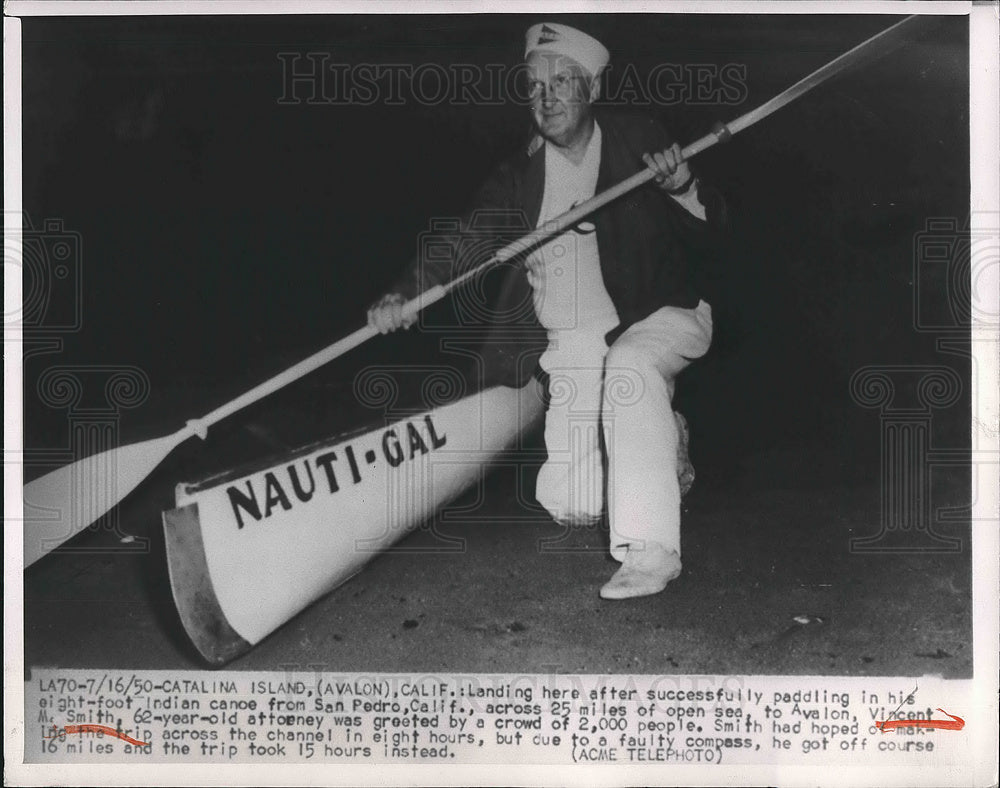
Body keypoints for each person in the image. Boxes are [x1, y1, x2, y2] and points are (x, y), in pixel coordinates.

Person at [369, 22, 724, 599]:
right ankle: (665, 440)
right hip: (577, 345)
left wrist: (684, 187)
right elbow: (463, 239)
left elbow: (716, 242)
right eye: (535, 86)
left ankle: (651, 552)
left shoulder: (639, 139)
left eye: (563, 82)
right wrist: (403, 295)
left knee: (632, 368)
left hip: (658, 315)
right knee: (572, 505)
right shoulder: (518, 176)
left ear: (593, 91)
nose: (547, 96)